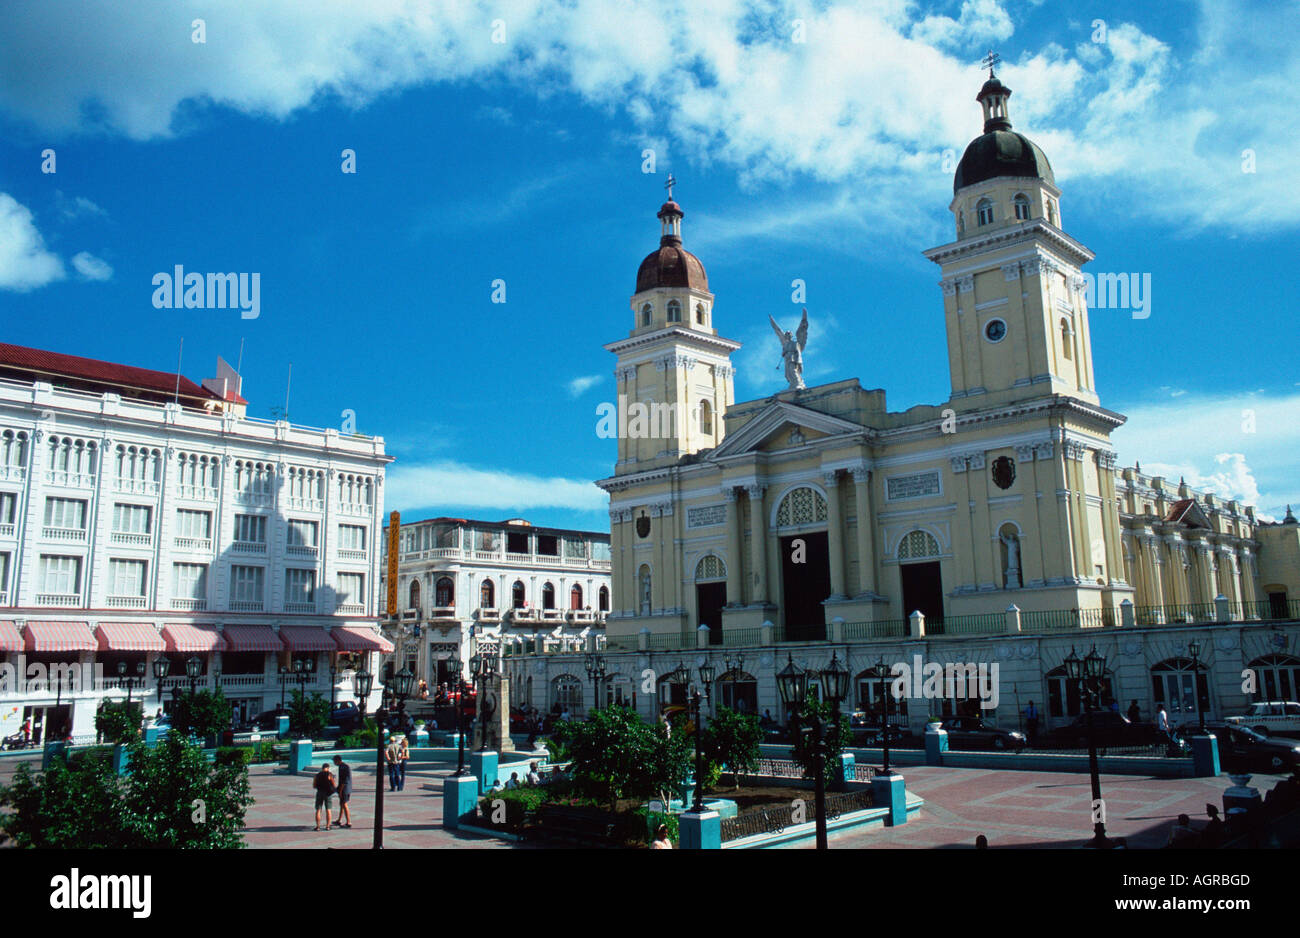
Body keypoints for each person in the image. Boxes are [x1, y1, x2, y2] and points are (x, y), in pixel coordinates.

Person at [313, 763, 336, 831]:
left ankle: (318, 826)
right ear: (328, 768)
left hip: (319, 793)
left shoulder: (317, 775)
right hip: (328, 794)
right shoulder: (329, 774)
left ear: (322, 768)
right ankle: (328, 826)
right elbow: (333, 784)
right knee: (328, 810)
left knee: (318, 809)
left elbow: (314, 786)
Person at [332, 755, 353, 828]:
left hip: (345, 789)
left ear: (338, 760)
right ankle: (339, 820)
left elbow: (344, 781)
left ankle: (348, 822)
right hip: (344, 788)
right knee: (341, 804)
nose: (334, 763)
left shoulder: (344, 767)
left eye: (334, 761)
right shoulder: (342, 766)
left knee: (344, 804)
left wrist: (340, 791)